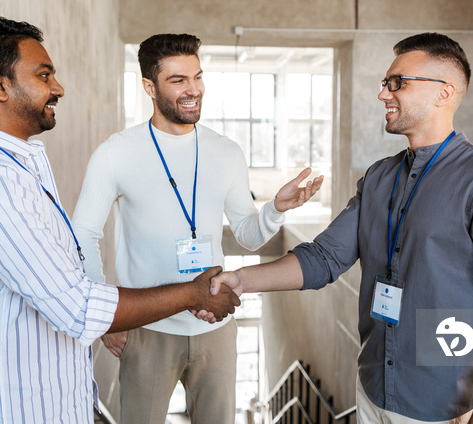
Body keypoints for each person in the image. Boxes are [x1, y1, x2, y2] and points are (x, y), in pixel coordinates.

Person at [210, 33, 473, 424]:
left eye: (397, 82)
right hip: (370, 391)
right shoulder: (378, 177)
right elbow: (324, 258)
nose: (384, 94)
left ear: (444, 93)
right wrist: (242, 280)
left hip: (438, 409)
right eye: (386, 83)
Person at [0, 16, 240, 423]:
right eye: (44, 75)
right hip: (10, 406)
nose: (58, 88)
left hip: (40, 400)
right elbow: (76, 306)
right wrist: (192, 293)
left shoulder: (16, 163)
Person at [71, 33, 323, 424]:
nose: (193, 90)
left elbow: (247, 234)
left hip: (215, 326)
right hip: (145, 326)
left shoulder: (226, 151)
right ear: (149, 87)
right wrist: (106, 316)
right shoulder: (116, 153)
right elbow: (83, 233)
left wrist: (275, 208)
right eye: (178, 80)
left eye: (197, 77)